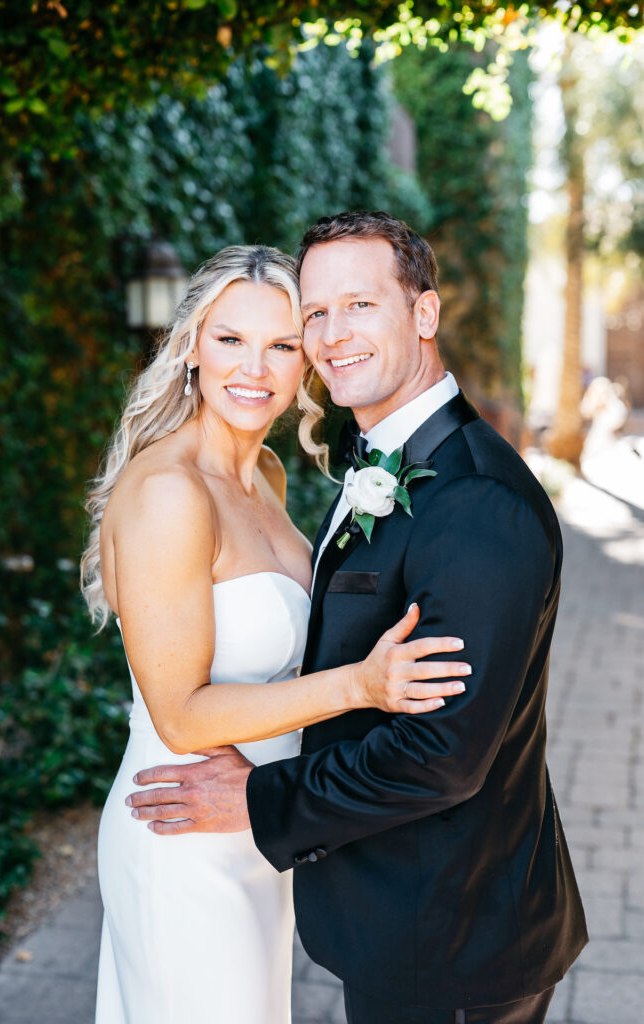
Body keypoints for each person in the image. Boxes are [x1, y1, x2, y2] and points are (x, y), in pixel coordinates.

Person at [129, 213, 588, 1024]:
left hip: (453, 933)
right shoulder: (383, 459)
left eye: (360, 305)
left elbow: (442, 758)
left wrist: (262, 800)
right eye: (316, 313)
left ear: (423, 314)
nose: (331, 334)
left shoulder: (476, 501)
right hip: (391, 909)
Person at [81, 243, 469, 1024]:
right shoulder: (169, 492)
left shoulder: (264, 479)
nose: (253, 368)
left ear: (307, 366)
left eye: (282, 345)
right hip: (183, 830)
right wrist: (361, 685)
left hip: (254, 827)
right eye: (230, 340)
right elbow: (181, 715)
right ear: (192, 347)